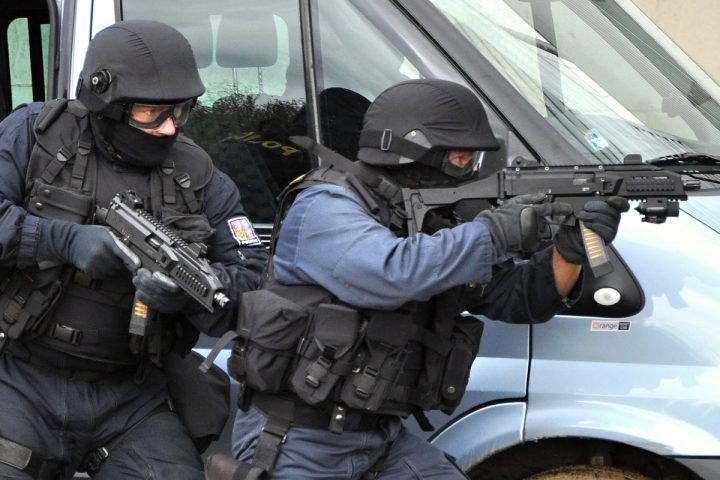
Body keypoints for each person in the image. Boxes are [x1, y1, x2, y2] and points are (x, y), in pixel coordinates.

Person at [206, 78, 628, 480]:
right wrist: (497, 231)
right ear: (416, 154)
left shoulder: (426, 222)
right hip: (300, 440)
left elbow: (518, 298)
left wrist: (568, 252)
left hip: (380, 440)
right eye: (462, 159)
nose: (470, 172)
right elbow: (392, 272)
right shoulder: (325, 205)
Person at [0, 20, 267, 479]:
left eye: (179, 112)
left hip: (134, 393)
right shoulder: (37, 134)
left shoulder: (198, 174)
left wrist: (185, 296)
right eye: (150, 114)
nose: (167, 128)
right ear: (105, 101)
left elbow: (252, 276)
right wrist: (59, 239)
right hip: (24, 375)